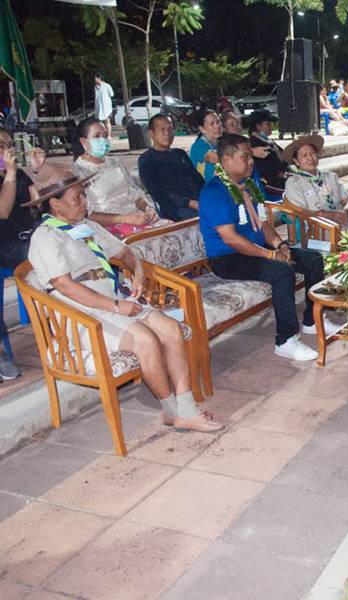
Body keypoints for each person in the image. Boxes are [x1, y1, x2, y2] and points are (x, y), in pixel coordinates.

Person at [26, 163, 223, 433]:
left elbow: (125, 253)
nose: (84, 201)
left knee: (171, 329)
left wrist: (138, 274)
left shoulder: (87, 226)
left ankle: (186, 409)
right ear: (55, 204)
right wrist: (116, 306)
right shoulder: (46, 237)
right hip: (83, 316)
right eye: (77, 198)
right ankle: (171, 411)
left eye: (83, 195)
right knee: (146, 340)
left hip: (112, 303)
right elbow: (65, 285)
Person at [199, 134, 334, 361]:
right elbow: (231, 239)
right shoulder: (214, 192)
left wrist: (280, 244)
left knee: (313, 259)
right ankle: (286, 340)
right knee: (282, 271)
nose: (251, 161)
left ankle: (313, 320)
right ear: (226, 161)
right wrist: (270, 255)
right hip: (228, 258)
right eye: (245, 157)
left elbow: (262, 223)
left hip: (256, 248)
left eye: (251, 156)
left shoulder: (250, 185)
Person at [70, 117, 169, 238]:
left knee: (174, 231)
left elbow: (135, 193)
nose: (103, 140)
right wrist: (124, 218)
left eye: (105, 135)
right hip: (110, 227)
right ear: (83, 142)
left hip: (137, 218)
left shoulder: (115, 163)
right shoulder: (78, 172)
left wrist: (147, 208)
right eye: (97, 136)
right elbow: (87, 213)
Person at [0, 127, 44, 380]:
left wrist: (39, 172)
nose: (7, 150)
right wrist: (10, 174)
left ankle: (61, 329)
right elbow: (3, 211)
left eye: (9, 145)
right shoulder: (10, 174)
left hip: (25, 237)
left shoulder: (18, 173)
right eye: (1, 146)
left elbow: (38, 203)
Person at [283, 135, 348, 240]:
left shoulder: (330, 176)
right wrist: (330, 215)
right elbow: (302, 212)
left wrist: (346, 211)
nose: (310, 158)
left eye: (313, 153)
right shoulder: (294, 183)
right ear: (296, 161)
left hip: (343, 223)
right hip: (319, 229)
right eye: (305, 155)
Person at [138, 114, 203, 221]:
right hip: (176, 209)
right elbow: (158, 193)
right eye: (162, 129)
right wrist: (189, 203)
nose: (167, 133)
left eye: (170, 129)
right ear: (151, 134)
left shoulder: (180, 154)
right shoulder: (147, 160)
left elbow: (198, 180)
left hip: (200, 201)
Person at [248, 109, 289, 191]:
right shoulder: (254, 144)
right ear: (258, 126)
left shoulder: (269, 142)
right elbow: (263, 171)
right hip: (270, 185)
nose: (271, 126)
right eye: (267, 124)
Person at [189, 109, 222, 183]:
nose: (217, 126)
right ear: (202, 129)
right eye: (212, 124)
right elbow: (216, 158)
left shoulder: (219, 144)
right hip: (204, 188)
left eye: (218, 122)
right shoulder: (199, 146)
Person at [93, 73, 114, 138]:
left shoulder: (107, 86)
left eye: (96, 78)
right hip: (99, 107)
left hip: (107, 107)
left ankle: (109, 135)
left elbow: (112, 94)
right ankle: (104, 134)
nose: (95, 80)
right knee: (100, 122)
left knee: (107, 121)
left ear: (99, 78)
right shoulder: (95, 87)